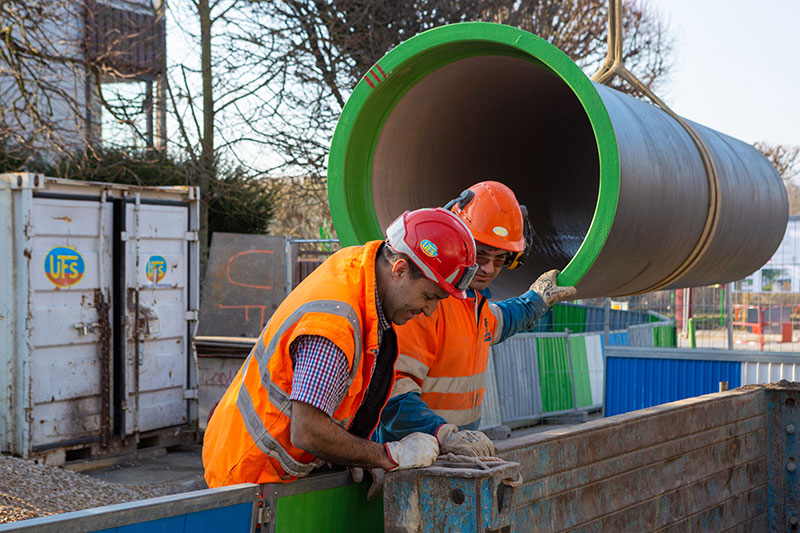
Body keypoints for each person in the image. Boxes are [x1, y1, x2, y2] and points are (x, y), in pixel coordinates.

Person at [202, 207, 478, 487]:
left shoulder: (358, 268)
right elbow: (308, 432)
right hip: (250, 478)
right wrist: (387, 455)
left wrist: (355, 455)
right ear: (400, 269)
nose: (430, 311)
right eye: (429, 296)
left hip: (261, 470)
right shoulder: (334, 327)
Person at [376, 181, 577, 457]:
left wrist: (535, 301)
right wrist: (444, 435)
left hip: (453, 454)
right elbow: (393, 398)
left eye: (500, 258)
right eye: (480, 254)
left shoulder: (475, 304)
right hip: (408, 456)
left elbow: (501, 320)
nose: (487, 268)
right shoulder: (423, 305)